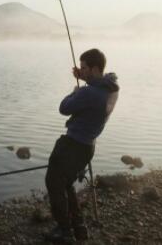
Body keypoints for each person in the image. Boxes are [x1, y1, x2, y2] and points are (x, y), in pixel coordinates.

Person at [44, 48, 119, 243]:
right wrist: (84, 79)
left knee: (54, 182)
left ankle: (64, 230)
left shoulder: (88, 93)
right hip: (87, 146)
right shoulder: (109, 88)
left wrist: (74, 91)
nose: (81, 70)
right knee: (66, 183)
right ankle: (78, 226)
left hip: (72, 145)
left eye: (84, 67)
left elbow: (64, 108)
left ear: (94, 69)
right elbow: (96, 86)